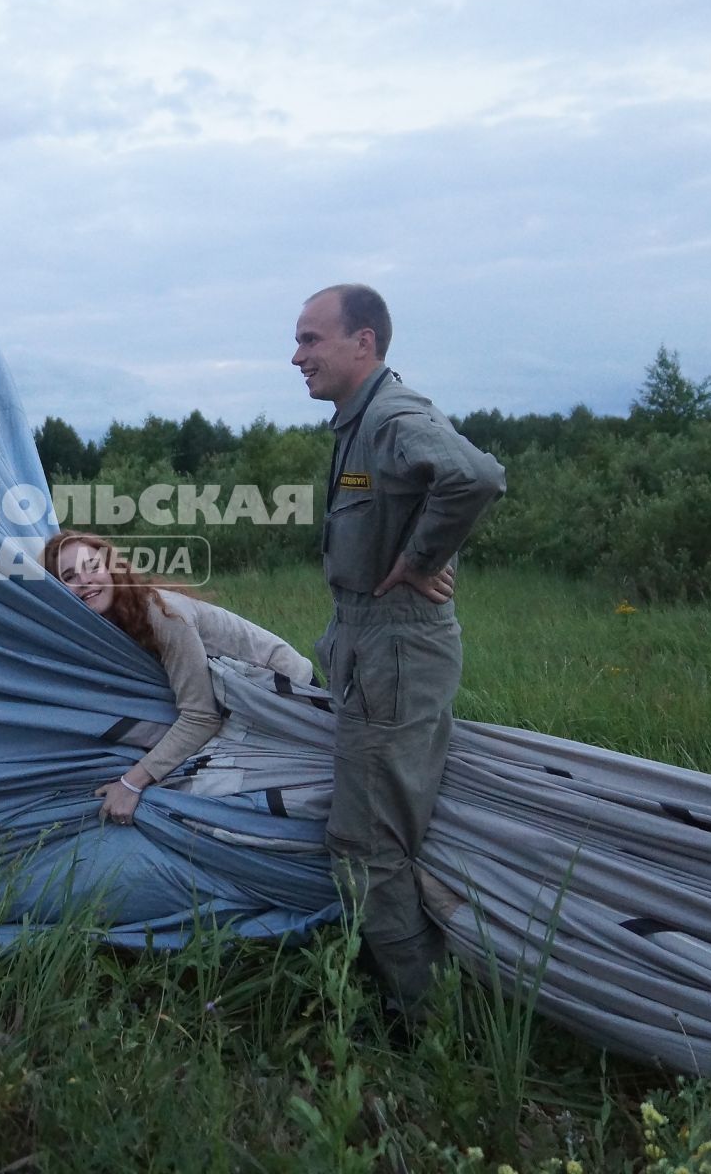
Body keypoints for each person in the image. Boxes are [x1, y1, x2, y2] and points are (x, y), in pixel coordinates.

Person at [291, 282, 506, 1009]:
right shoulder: (359, 422)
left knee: (368, 852)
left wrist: (420, 560)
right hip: (366, 646)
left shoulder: (391, 414)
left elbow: (473, 477)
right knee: (369, 843)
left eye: (311, 340)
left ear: (365, 342)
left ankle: (429, 1027)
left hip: (394, 650)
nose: (297, 356)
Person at [42, 530, 318, 824]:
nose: (84, 581)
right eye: (69, 576)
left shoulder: (162, 613)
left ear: (113, 569)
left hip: (290, 696)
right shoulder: (111, 628)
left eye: (92, 567)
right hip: (241, 706)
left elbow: (201, 717)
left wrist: (131, 783)